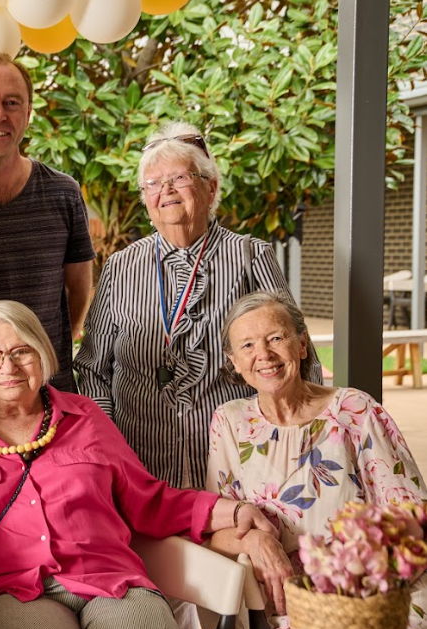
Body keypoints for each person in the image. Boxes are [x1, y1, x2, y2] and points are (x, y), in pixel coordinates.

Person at [0, 300, 276, 629]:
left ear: (42, 354)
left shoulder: (84, 417)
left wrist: (232, 510)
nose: (7, 367)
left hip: (113, 581)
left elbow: (148, 499)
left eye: (21, 352)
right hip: (14, 594)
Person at [74, 121, 317, 489]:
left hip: (242, 456)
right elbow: (93, 367)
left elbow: (297, 354)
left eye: (179, 179)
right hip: (141, 459)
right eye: (153, 184)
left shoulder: (251, 256)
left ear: (211, 186)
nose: (166, 191)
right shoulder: (121, 265)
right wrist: (109, 443)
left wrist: (298, 440)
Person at [206, 290, 427, 629]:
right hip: (289, 601)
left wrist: (359, 568)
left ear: (302, 345)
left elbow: (412, 514)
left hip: (373, 587)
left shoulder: (355, 409)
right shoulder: (230, 422)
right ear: (234, 361)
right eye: (247, 346)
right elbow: (217, 532)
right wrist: (253, 540)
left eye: (276, 338)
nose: (263, 354)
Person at [0, 53, 94, 390]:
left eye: (12, 102)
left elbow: (79, 287)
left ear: (29, 113)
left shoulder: (63, 192)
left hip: (53, 388)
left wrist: (52, 352)